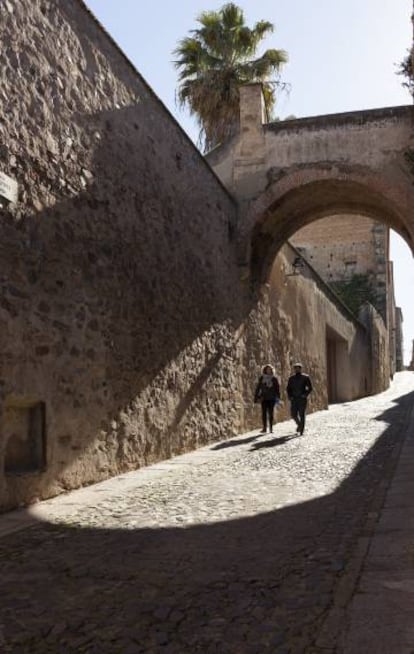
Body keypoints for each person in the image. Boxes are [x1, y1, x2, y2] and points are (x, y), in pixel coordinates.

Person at [286, 362, 313, 435]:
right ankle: (299, 425)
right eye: (296, 368)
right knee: (293, 414)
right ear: (294, 369)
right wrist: (290, 396)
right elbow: (288, 388)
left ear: (301, 369)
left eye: (298, 368)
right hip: (294, 398)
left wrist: (305, 395)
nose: (297, 369)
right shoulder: (291, 378)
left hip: (302, 399)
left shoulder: (305, 377)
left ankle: (301, 430)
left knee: (301, 414)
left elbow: (310, 388)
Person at [254, 364, 281, 433]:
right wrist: (256, 397)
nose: (268, 370)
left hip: (272, 398)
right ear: (265, 370)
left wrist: (278, 397)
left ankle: (271, 428)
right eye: (267, 369)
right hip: (264, 397)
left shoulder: (274, 378)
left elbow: (277, 388)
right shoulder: (262, 378)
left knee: (271, 413)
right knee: (264, 413)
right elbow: (258, 387)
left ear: (271, 370)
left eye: (270, 369)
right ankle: (264, 428)